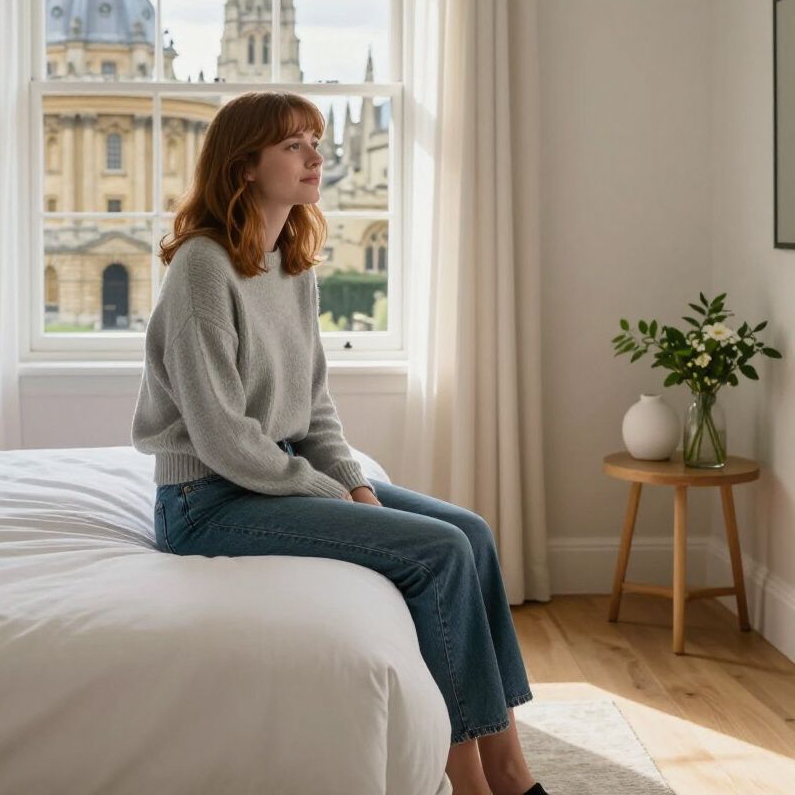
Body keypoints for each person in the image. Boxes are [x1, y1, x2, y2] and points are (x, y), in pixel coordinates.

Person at [131, 91, 548, 795]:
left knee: (470, 534)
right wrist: (335, 493)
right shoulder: (203, 267)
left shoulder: (292, 265)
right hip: (206, 500)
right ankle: (475, 785)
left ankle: (510, 770)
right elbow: (224, 439)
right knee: (438, 551)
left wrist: (351, 480)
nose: (316, 156)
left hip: (272, 479)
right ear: (244, 168)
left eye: (315, 140)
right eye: (294, 144)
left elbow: (313, 409)